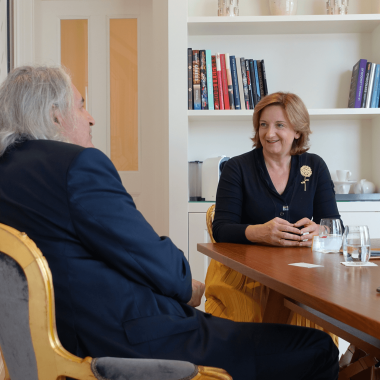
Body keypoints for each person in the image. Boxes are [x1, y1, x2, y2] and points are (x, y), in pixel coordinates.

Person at [0, 66, 339, 380]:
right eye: (81, 106)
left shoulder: (9, 170)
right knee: (317, 347)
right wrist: (186, 287)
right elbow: (143, 252)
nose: (90, 118)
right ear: (54, 116)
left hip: (64, 337)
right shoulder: (78, 166)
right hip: (134, 340)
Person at [205, 92, 340, 346]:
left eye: (280, 125)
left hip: (301, 277)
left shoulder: (314, 166)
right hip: (244, 278)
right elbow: (221, 229)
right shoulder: (237, 168)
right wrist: (259, 232)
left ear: (298, 131)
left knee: (318, 336)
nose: (269, 134)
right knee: (252, 342)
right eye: (263, 125)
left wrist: (320, 230)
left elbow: (333, 224)